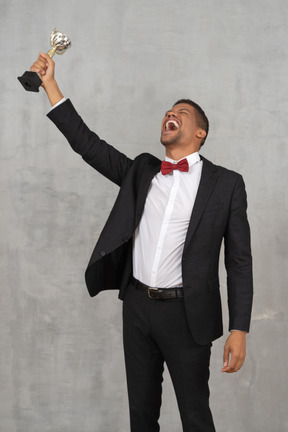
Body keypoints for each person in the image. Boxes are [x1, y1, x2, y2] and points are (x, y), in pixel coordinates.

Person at [30, 52, 253, 432]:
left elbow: (239, 261)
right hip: (137, 307)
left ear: (200, 132)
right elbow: (88, 145)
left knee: (195, 417)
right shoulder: (142, 170)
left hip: (188, 315)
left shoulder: (226, 183)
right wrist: (50, 85)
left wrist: (239, 328)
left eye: (181, 111)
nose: (172, 113)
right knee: (141, 417)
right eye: (169, 110)